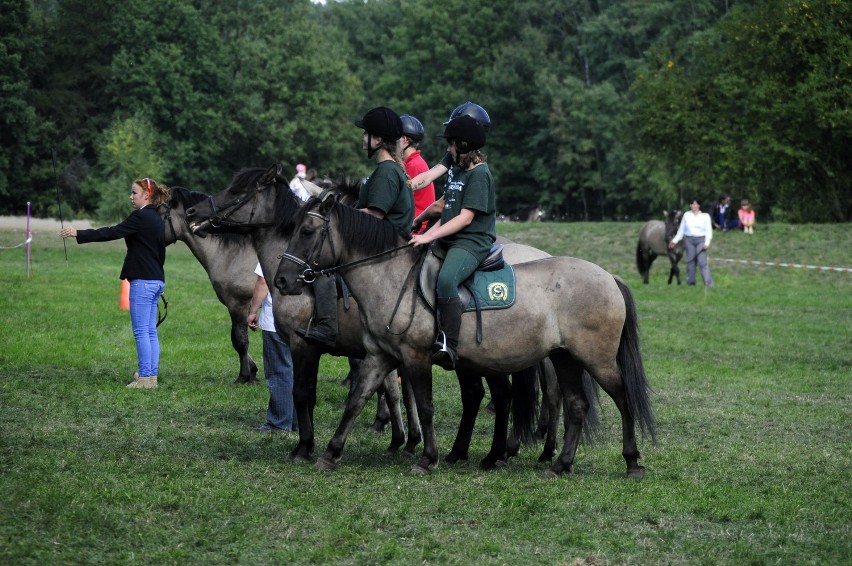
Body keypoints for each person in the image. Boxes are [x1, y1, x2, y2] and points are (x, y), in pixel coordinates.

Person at [296, 106, 413, 347]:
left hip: (383, 249)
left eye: (366, 134)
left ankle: (328, 327)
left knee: (322, 271)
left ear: (378, 140)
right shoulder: (384, 170)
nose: (363, 138)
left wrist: (334, 218)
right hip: (380, 243)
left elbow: (374, 215)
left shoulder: (387, 172)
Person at [60, 178, 168, 388]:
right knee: (150, 331)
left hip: (143, 282)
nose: (131, 196)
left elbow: (112, 232)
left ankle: (145, 378)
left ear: (146, 195)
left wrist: (78, 233)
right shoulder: (157, 218)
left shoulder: (141, 216)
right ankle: (150, 376)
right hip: (156, 280)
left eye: (134, 193)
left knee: (141, 331)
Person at [409, 115, 495, 369]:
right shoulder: (457, 169)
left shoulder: (480, 175)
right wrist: (422, 227)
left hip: (471, 241)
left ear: (464, 146)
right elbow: (447, 212)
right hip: (451, 236)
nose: (448, 149)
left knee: (446, 280)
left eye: (451, 144)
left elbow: (465, 218)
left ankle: (449, 345)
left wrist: (429, 235)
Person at [409, 101, 492, 229]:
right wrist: (404, 187)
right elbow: (428, 176)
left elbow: (443, 205)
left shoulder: (477, 172)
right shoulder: (453, 157)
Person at [247, 263, 297, 432]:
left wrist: (253, 310)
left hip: (275, 321)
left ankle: (279, 423)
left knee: (279, 371)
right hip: (302, 320)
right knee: (297, 372)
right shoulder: (307, 247)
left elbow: (263, 282)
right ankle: (297, 420)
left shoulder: (272, 248)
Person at [400, 114, 435, 233]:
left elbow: (401, 199)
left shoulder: (414, 166)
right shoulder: (412, 163)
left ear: (404, 140)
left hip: (416, 229)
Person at [669, 198, 714, 287]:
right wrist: (674, 241)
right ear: (690, 205)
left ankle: (708, 283)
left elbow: (708, 230)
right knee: (691, 262)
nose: (694, 206)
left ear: (699, 205)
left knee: (702, 262)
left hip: (701, 240)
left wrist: (707, 242)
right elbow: (681, 230)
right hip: (689, 240)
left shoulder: (705, 216)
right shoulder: (686, 215)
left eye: (696, 204)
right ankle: (691, 283)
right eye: (692, 204)